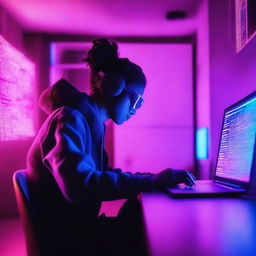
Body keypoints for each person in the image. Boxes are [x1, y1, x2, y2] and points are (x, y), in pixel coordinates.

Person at [26, 38, 196, 256]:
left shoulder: (89, 124)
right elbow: (80, 187)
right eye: (134, 100)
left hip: (77, 230)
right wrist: (151, 181)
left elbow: (102, 175)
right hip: (67, 241)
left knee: (135, 211)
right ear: (110, 86)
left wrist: (153, 178)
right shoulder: (69, 118)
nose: (135, 109)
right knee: (158, 234)